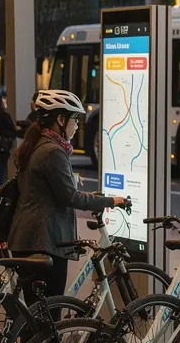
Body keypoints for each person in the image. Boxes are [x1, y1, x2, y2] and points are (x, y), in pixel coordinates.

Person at [8, 89, 128, 299]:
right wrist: (111, 201)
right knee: (48, 316)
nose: (77, 125)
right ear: (60, 120)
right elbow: (71, 198)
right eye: (74, 118)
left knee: (37, 317)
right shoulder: (52, 151)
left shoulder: (38, 145)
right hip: (43, 242)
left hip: (29, 239)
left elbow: (49, 190)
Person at [0, 94, 17, 193]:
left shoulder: (4, 116)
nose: (5, 103)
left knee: (0, 177)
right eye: (4, 101)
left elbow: (12, 133)